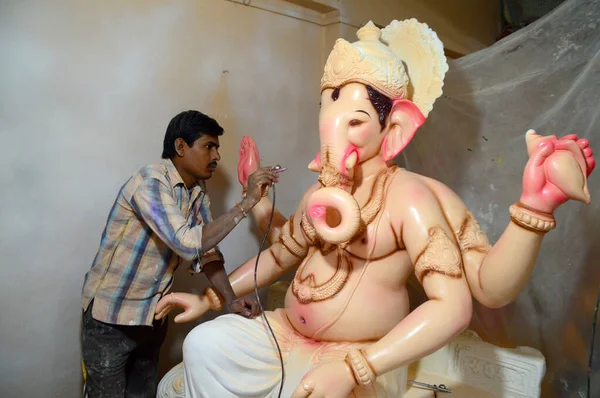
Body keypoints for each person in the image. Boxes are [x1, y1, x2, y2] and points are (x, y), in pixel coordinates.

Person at [155, 21, 595, 397]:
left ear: (394, 128)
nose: (335, 133)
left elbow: (464, 301)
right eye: (328, 110)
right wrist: (211, 297)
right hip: (285, 333)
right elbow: (278, 256)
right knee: (204, 345)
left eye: (357, 121)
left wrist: (534, 209)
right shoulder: (320, 193)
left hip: (359, 354)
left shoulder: (411, 199)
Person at [80, 110, 279, 397]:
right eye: (208, 146)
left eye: (217, 148)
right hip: (110, 319)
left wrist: (230, 301)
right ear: (181, 147)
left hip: (150, 318)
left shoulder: (196, 191)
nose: (216, 156)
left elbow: (206, 252)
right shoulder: (151, 183)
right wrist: (247, 202)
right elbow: (187, 243)